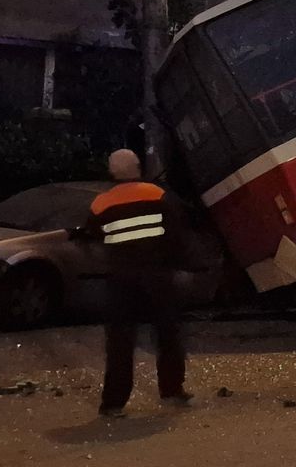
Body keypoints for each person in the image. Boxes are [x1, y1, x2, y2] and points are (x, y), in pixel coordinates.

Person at [75, 149, 194, 418]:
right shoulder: (158, 195)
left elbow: (92, 238)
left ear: (113, 171)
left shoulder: (101, 204)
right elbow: (177, 235)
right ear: (138, 167)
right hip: (158, 278)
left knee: (120, 342)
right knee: (168, 335)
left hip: (121, 282)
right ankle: (172, 391)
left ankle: (113, 403)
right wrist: (182, 266)